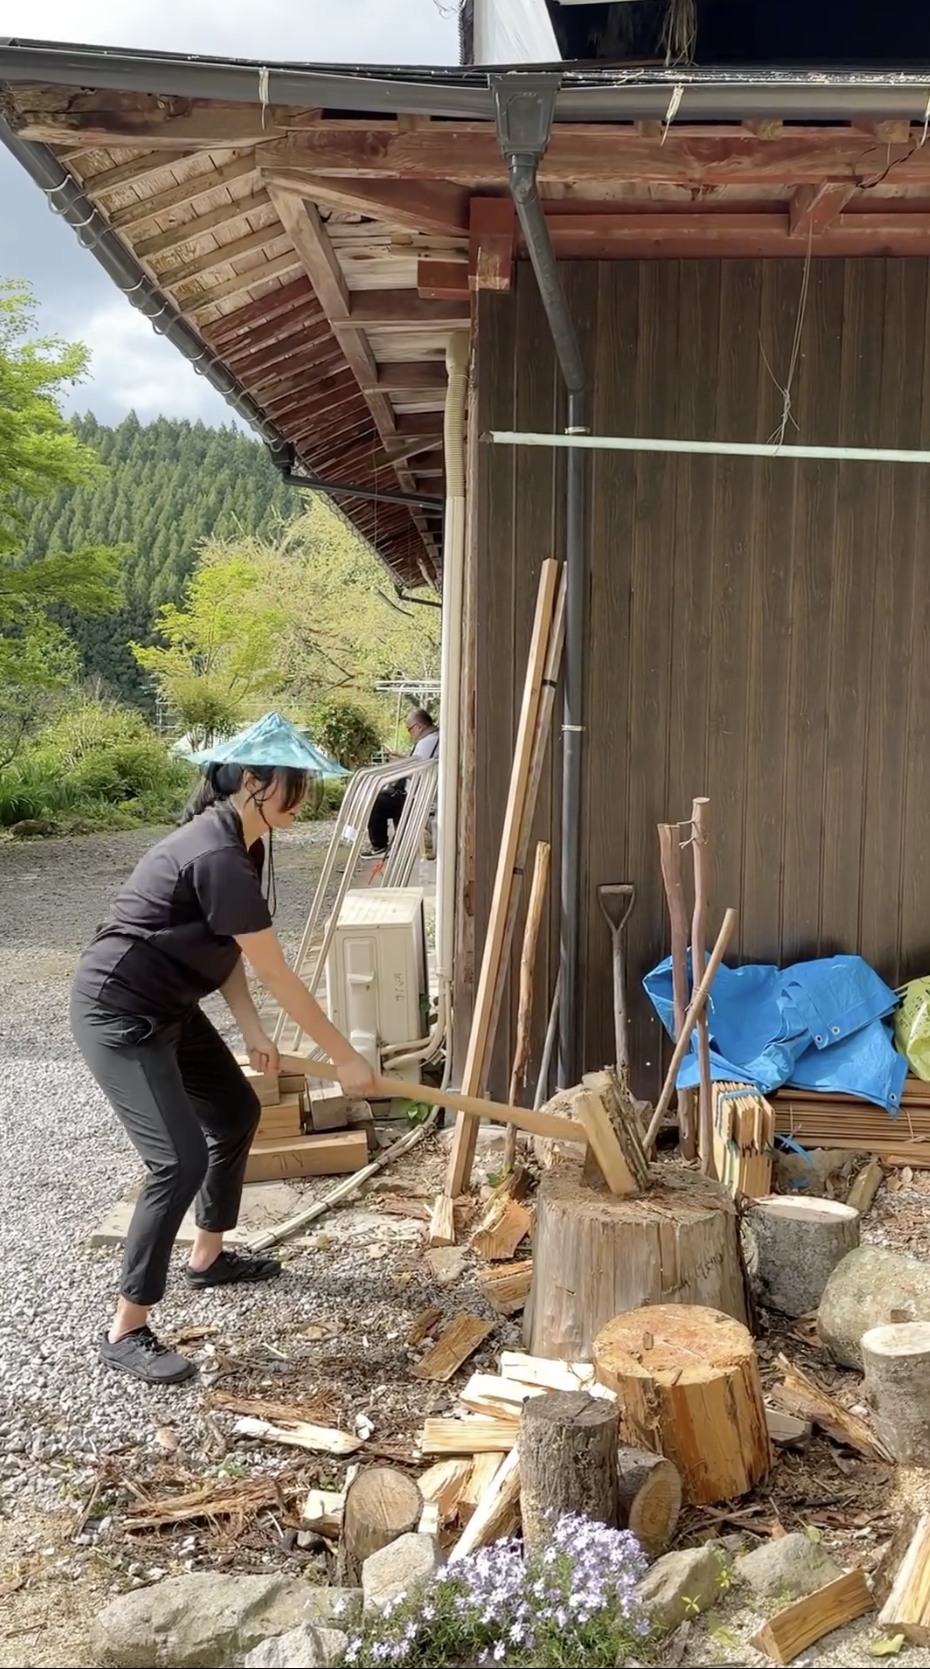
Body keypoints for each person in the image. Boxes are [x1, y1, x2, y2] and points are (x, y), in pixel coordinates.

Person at [70, 711, 378, 1387]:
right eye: (296, 786)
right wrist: (346, 1057)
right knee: (174, 1159)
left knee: (234, 1111)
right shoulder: (215, 853)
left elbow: (232, 952)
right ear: (251, 782)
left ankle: (208, 1257)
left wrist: (252, 1029)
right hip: (120, 1011)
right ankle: (126, 1327)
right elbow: (278, 971)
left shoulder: (246, 844)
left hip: (171, 1005)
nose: (305, 800)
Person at [366, 707, 439, 857]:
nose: (409, 733)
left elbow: (420, 772)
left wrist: (400, 764)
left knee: (376, 801)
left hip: (416, 796)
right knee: (382, 796)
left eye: (409, 729)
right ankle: (387, 844)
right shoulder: (430, 740)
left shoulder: (430, 741)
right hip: (410, 792)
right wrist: (403, 760)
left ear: (419, 726)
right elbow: (418, 764)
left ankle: (379, 846)